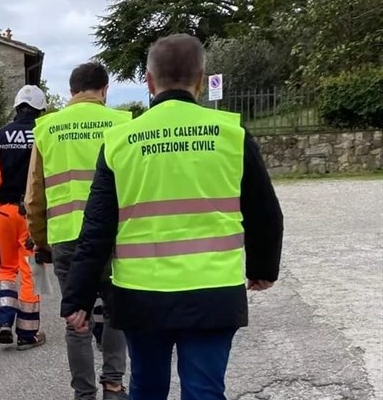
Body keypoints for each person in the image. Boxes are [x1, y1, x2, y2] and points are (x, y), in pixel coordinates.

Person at [61, 34, 285, 400]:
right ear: (201, 79)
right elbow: (265, 211)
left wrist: (79, 298)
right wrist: (263, 267)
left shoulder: (120, 141)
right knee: (204, 391)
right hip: (213, 293)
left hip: (142, 296)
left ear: (149, 81)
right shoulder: (231, 134)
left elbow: (97, 229)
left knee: (147, 387)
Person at [25, 62, 133, 400]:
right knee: (116, 313)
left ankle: (83, 394)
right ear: (105, 90)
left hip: (67, 238)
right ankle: (113, 384)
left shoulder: (47, 128)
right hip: (116, 238)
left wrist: (40, 241)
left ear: (71, 92)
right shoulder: (124, 124)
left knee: (77, 318)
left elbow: (34, 196)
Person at [0, 84, 48, 350]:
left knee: (6, 270)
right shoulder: (43, 134)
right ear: (40, 109)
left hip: (4, 213)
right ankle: (28, 334)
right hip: (31, 214)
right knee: (29, 272)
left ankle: (4, 321)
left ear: (17, 107)